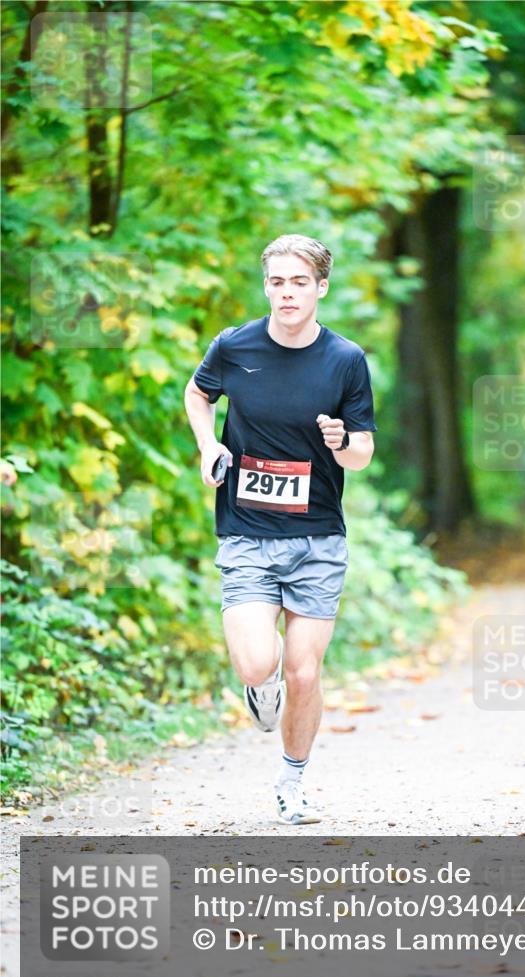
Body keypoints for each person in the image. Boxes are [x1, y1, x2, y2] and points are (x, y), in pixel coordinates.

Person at [184, 235, 376, 824]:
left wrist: (343, 443)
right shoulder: (234, 346)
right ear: (266, 285)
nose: (286, 292)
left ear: (320, 287)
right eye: (276, 281)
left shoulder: (345, 360)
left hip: (318, 537)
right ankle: (259, 688)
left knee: (304, 670)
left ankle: (292, 783)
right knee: (255, 665)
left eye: (299, 282)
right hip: (245, 532)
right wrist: (208, 444)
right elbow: (197, 394)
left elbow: (363, 451)